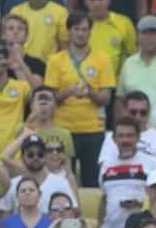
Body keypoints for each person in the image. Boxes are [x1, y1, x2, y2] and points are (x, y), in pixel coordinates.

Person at [45, 11, 115, 187]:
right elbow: (50, 98)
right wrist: (68, 92)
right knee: (61, 180)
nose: (81, 33)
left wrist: (89, 92)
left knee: (92, 181)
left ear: (90, 32)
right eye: (77, 29)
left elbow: (106, 98)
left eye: (85, 29)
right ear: (69, 31)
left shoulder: (102, 59)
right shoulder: (55, 60)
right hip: (63, 130)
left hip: (93, 129)